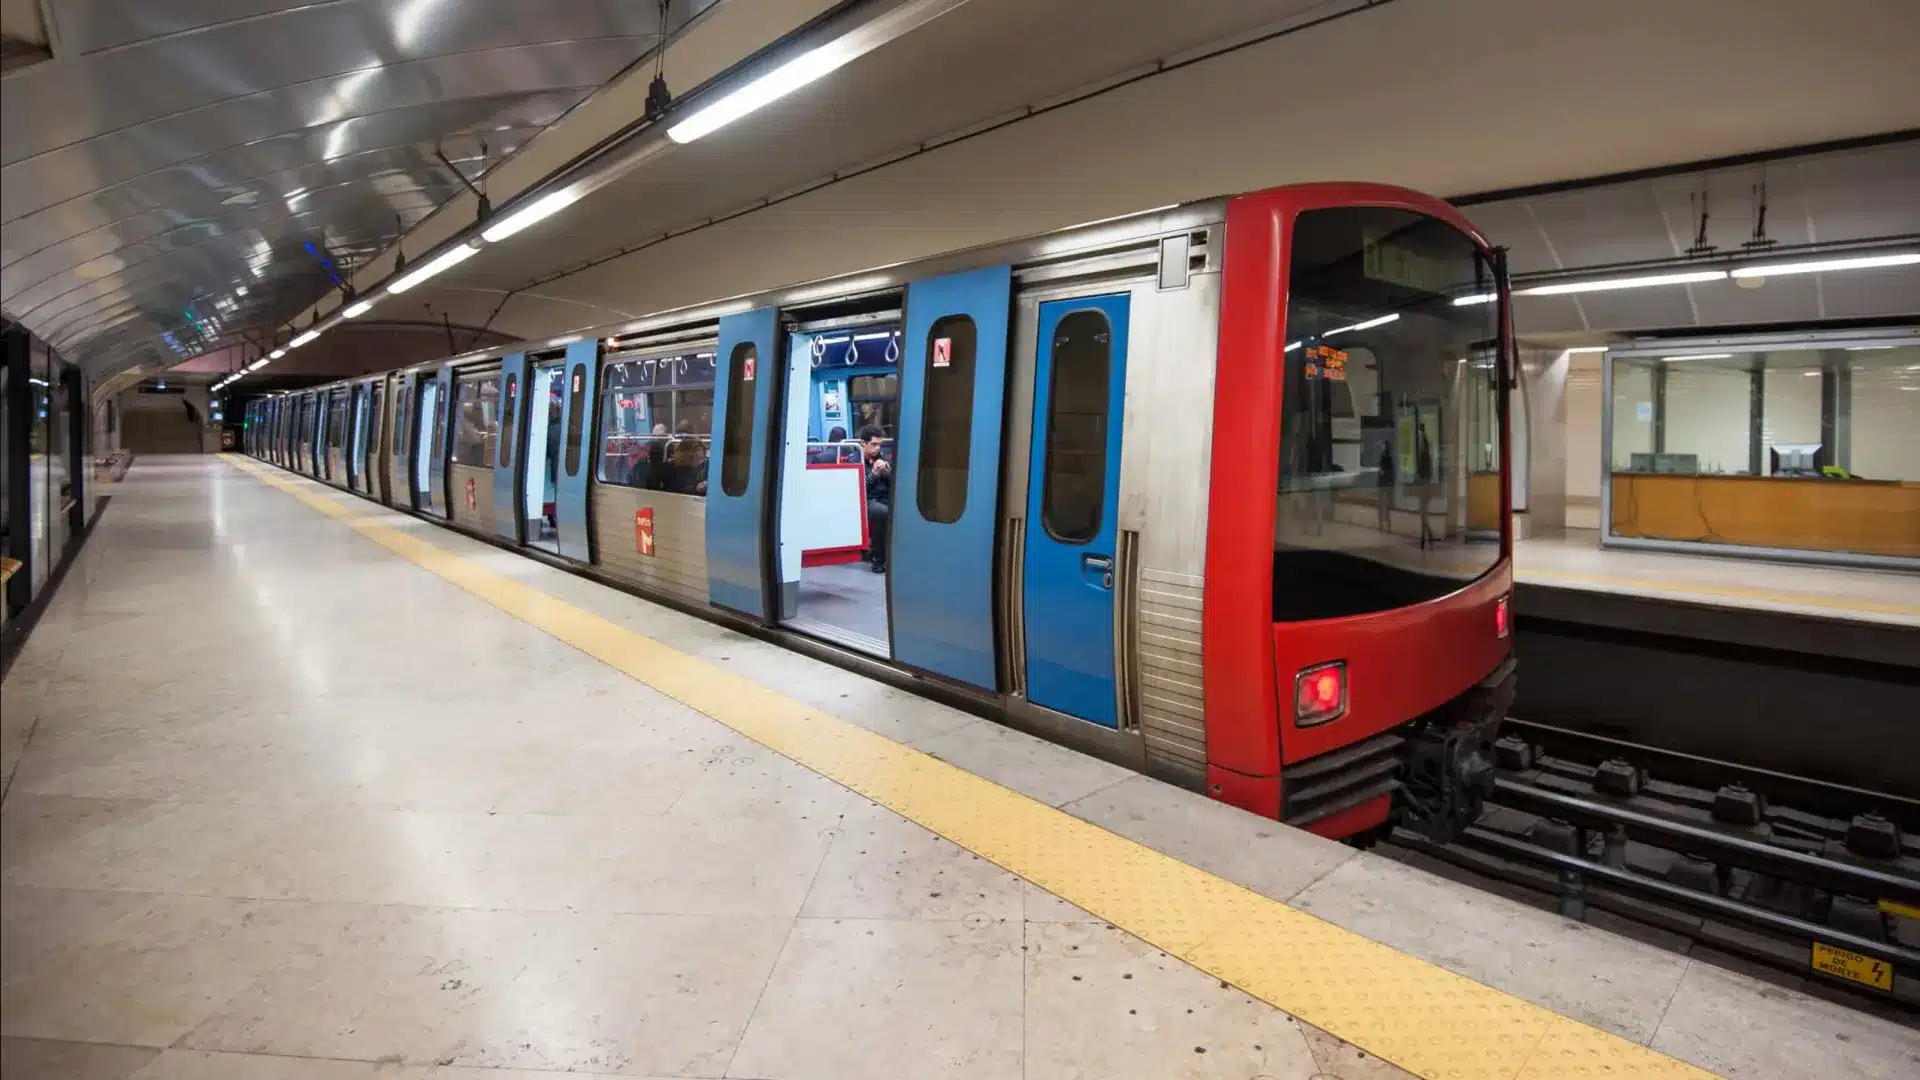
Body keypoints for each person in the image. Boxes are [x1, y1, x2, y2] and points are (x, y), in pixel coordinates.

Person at [859, 425, 892, 573]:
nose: (877, 448)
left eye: (879, 444)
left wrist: (887, 474)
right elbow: (858, 489)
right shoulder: (855, 459)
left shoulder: (882, 459)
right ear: (863, 443)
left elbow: (892, 484)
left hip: (885, 497)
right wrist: (874, 474)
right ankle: (878, 560)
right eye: (873, 444)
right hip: (867, 500)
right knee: (882, 512)